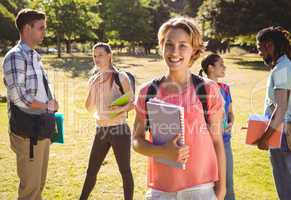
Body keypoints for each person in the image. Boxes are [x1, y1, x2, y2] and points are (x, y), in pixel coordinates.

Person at [133, 16, 226, 200]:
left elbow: (217, 142)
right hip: (161, 190)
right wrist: (163, 151)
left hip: (201, 189)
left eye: (183, 45)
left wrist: (221, 191)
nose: (174, 52)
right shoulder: (147, 92)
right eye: (169, 44)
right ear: (162, 46)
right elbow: (136, 141)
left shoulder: (208, 90)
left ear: (194, 50)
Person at [2, 9, 59, 200]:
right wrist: (46, 106)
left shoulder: (34, 56)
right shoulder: (16, 56)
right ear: (27, 28)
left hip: (40, 128)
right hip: (28, 133)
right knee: (30, 191)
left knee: (38, 186)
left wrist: (50, 104)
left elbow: (37, 91)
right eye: (41, 28)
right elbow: (20, 98)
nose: (44, 33)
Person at [79, 42, 134, 200]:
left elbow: (132, 102)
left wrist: (118, 109)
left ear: (109, 56)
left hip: (119, 130)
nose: (97, 58)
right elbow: (89, 108)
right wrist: (92, 90)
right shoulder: (94, 79)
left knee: (125, 171)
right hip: (101, 130)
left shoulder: (120, 77)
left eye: (100, 55)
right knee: (91, 171)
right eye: (95, 55)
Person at [255, 26, 291, 200]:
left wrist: (265, 138)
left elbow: (280, 109)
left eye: (260, 48)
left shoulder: (282, 69)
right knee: (288, 181)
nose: (259, 53)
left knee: (287, 185)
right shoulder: (283, 66)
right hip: (279, 130)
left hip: (280, 133)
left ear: (269, 45)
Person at [199, 54, 235, 200]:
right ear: (210, 68)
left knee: (227, 183)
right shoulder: (200, 89)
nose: (224, 67)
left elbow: (231, 112)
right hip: (205, 143)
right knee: (208, 185)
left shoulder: (225, 88)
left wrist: (231, 122)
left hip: (225, 141)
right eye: (221, 64)